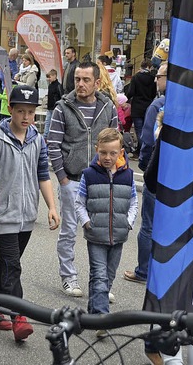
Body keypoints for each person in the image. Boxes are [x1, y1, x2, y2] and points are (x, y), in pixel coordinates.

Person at [0, 85, 60, 342]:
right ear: (10, 110)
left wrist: (52, 207)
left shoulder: (37, 139)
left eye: (31, 112)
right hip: (3, 214)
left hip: (26, 215)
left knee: (6, 263)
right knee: (13, 265)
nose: (26, 117)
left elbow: (43, 175)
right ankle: (19, 316)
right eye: (21, 111)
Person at [47, 61, 118, 297]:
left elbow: (116, 144)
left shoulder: (107, 107)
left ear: (97, 83)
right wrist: (63, 179)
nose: (80, 84)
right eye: (77, 79)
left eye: (86, 79)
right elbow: (53, 145)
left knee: (100, 234)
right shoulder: (62, 108)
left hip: (100, 180)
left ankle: (99, 283)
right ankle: (69, 277)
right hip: (73, 180)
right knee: (69, 231)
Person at [76, 128, 137, 326]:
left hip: (118, 235)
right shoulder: (89, 175)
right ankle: (102, 318)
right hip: (95, 235)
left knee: (107, 276)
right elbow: (79, 202)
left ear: (121, 152)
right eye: (103, 153)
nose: (108, 157)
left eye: (113, 153)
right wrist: (86, 221)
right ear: (97, 150)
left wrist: (128, 222)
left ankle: (93, 313)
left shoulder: (128, 176)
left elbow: (134, 202)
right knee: (100, 274)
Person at [123, 62, 168, 285]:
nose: (155, 80)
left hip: (156, 174)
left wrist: (145, 167)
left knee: (148, 224)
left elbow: (148, 143)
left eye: (159, 76)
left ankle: (144, 270)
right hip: (179, 178)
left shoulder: (159, 105)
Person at [125, 58, 157, 158]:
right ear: (149, 66)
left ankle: (141, 151)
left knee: (138, 130)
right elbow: (153, 93)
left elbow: (131, 92)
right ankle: (141, 150)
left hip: (137, 106)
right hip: (148, 106)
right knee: (146, 129)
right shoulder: (153, 78)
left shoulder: (136, 77)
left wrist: (126, 100)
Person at [43, 69, 63, 139]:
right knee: (47, 122)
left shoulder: (58, 86)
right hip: (50, 107)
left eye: (50, 77)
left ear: (55, 76)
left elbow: (61, 96)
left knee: (53, 122)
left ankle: (51, 136)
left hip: (55, 107)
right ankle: (46, 135)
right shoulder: (50, 85)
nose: (49, 79)